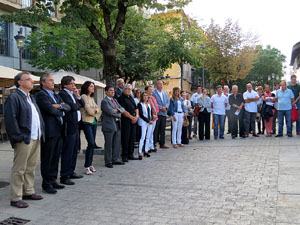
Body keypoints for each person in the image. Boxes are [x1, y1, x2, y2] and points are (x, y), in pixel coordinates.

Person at [4, 72, 45, 208]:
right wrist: (18, 136)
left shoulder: (31, 98)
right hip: (24, 138)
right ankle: (15, 197)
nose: (32, 82)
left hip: (35, 137)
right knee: (19, 168)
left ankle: (28, 191)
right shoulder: (14, 97)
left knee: (31, 167)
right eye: (28, 79)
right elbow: (11, 119)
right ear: (20, 82)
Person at [36, 74, 70, 194]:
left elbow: (68, 106)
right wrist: (60, 108)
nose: (52, 82)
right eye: (50, 80)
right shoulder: (41, 95)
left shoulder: (55, 94)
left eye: (53, 80)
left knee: (55, 157)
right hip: (49, 131)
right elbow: (48, 109)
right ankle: (46, 183)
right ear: (43, 82)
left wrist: (58, 106)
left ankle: (53, 179)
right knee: (47, 157)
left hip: (59, 130)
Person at [59, 76, 85, 185]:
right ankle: (64, 175)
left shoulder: (72, 94)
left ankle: (71, 171)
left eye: (74, 83)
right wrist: (76, 105)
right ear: (65, 85)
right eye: (71, 84)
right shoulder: (63, 94)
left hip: (76, 125)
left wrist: (78, 97)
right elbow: (72, 107)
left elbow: (82, 105)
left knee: (75, 149)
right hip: (68, 126)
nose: (74, 86)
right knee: (68, 151)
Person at [101, 86, 126, 168]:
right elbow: (110, 112)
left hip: (117, 123)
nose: (113, 92)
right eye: (110, 90)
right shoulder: (104, 101)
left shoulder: (115, 100)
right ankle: (108, 161)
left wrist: (117, 110)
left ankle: (115, 159)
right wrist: (117, 111)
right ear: (106, 92)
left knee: (116, 143)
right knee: (109, 144)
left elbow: (122, 109)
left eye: (113, 90)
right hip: (109, 125)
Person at [80, 81, 101, 175]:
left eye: (93, 86)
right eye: (91, 86)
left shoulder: (91, 98)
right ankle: (86, 166)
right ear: (86, 87)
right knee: (91, 143)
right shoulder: (84, 97)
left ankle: (90, 164)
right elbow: (89, 111)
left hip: (94, 122)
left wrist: (94, 110)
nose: (93, 88)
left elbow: (98, 110)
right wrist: (94, 110)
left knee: (92, 145)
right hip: (87, 122)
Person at [117, 84, 139, 162]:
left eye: (130, 89)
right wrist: (131, 117)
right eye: (127, 89)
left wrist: (136, 116)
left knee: (132, 138)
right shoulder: (121, 98)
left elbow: (136, 108)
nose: (129, 90)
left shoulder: (131, 98)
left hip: (134, 119)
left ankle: (131, 154)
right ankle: (125, 155)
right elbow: (123, 110)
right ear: (123, 89)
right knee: (126, 138)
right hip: (126, 120)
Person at [152, 80, 169, 149]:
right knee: (156, 129)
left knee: (162, 129)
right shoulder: (153, 93)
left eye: (162, 84)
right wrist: (160, 107)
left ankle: (162, 143)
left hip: (164, 113)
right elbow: (153, 102)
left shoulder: (165, 93)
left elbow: (168, 102)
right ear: (156, 85)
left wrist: (166, 107)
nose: (161, 85)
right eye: (159, 84)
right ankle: (154, 143)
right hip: (157, 113)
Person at [137, 92, 153, 159]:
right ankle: (140, 151)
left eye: (147, 95)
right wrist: (148, 120)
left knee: (148, 136)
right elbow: (141, 114)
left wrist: (151, 119)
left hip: (150, 122)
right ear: (142, 96)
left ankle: (146, 150)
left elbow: (151, 113)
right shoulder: (140, 104)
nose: (146, 97)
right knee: (142, 136)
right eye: (144, 95)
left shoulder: (149, 104)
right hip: (143, 122)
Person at [145, 85, 159, 152]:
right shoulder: (146, 98)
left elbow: (156, 106)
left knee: (152, 132)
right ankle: (147, 147)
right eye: (149, 90)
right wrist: (151, 115)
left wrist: (156, 113)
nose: (151, 91)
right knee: (148, 133)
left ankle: (151, 145)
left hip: (155, 117)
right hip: (149, 117)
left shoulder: (153, 98)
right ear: (146, 91)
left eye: (151, 90)